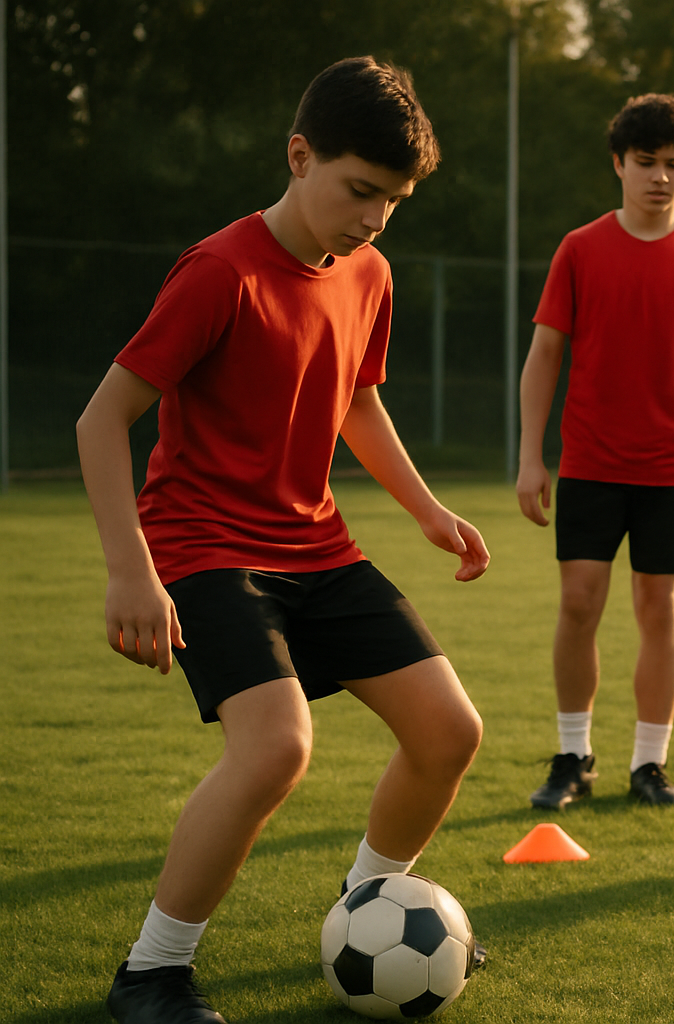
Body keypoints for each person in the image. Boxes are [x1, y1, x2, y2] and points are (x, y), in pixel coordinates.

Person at [76, 58, 488, 1024]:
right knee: (275, 751)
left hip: (319, 545)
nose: (375, 218)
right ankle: (151, 972)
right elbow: (103, 421)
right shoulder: (218, 272)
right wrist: (131, 571)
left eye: (392, 201)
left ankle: (369, 905)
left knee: (449, 734)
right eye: (359, 191)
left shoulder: (369, 271)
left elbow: (358, 401)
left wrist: (427, 511)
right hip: (207, 546)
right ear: (299, 156)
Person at [517, 93, 674, 810]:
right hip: (588, 462)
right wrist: (532, 455)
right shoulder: (580, 249)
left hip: (671, 468)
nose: (660, 177)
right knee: (579, 604)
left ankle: (650, 765)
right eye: (645, 162)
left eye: (673, 164)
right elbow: (544, 354)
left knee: (659, 608)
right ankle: (571, 756)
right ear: (618, 164)